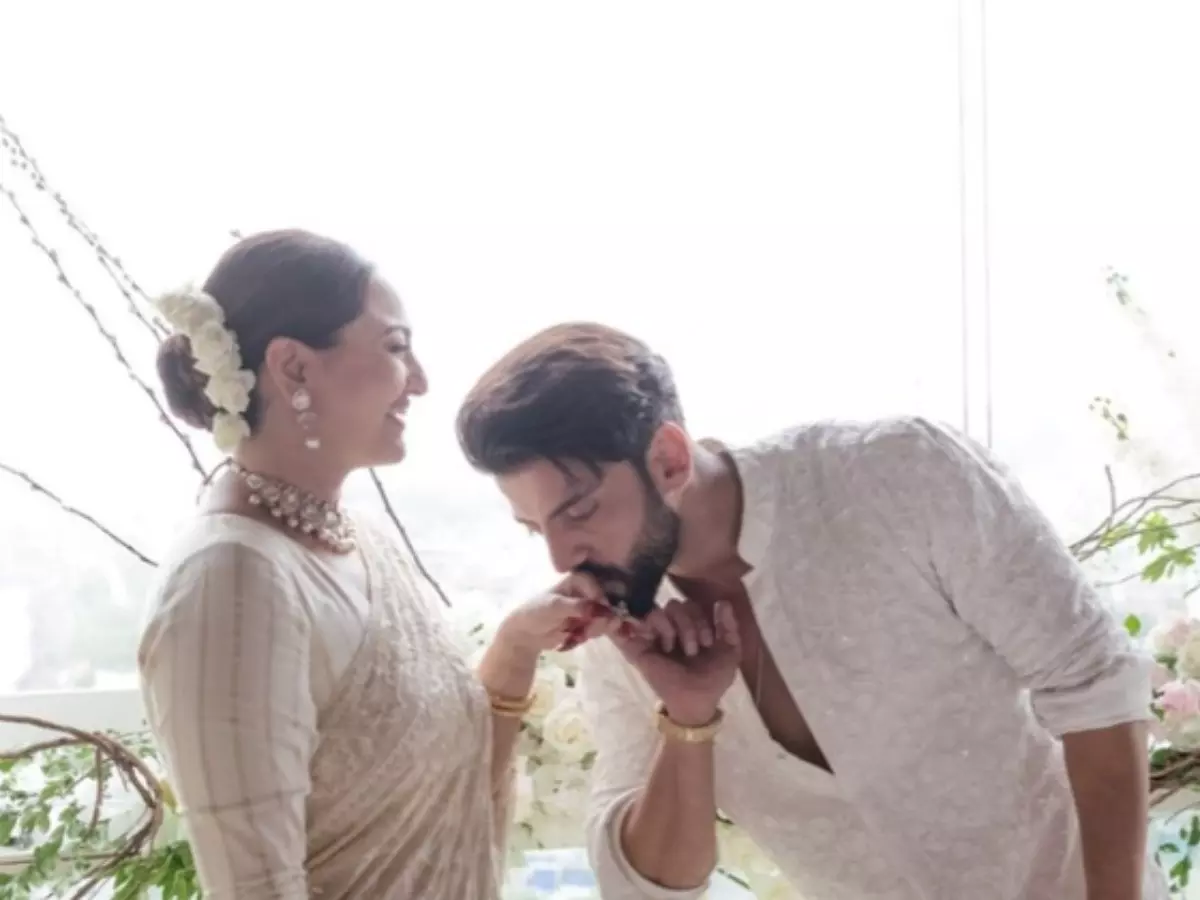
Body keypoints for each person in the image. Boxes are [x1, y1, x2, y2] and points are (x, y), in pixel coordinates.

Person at [454, 321, 1170, 900]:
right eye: (534, 528)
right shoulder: (626, 640)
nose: (562, 558)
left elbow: (1097, 688)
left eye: (578, 511)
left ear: (669, 459)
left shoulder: (900, 475)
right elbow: (645, 887)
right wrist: (689, 719)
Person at [138, 230, 621, 900]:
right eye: (395, 347)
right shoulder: (230, 584)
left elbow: (441, 800)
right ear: (294, 367)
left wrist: (515, 647)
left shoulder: (362, 539)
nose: (419, 380)